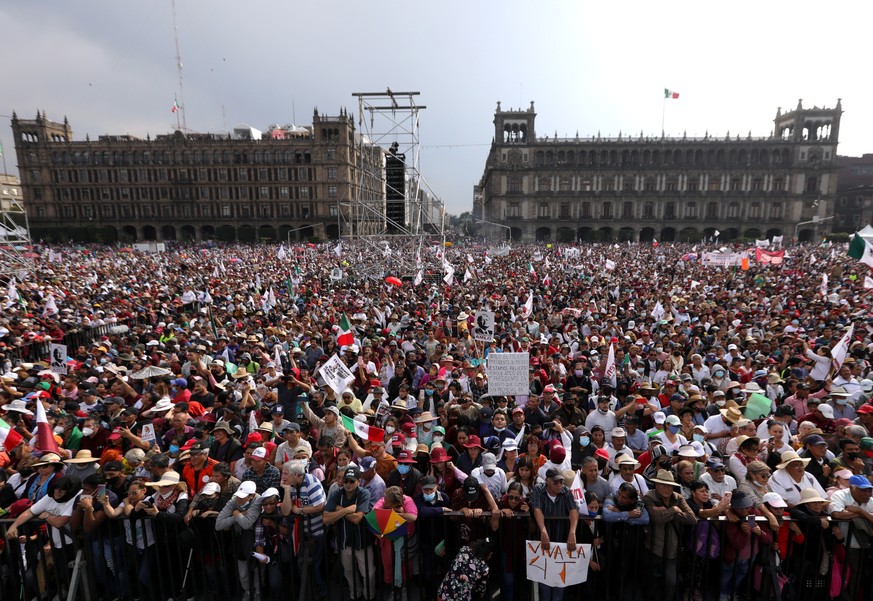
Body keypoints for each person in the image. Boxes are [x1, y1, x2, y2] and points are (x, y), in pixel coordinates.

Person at [642, 469, 697, 601]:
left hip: (672, 550)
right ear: (656, 485)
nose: (666, 488)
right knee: (649, 584)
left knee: (671, 583)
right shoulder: (649, 497)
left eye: (669, 485)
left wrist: (669, 512)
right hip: (652, 548)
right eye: (662, 484)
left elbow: (692, 519)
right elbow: (657, 518)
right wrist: (673, 510)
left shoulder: (678, 498)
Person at [324, 465, 376, 601]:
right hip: (344, 541)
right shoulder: (337, 494)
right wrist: (346, 510)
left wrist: (337, 510)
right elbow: (326, 518)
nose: (348, 484)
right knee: (348, 572)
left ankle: (369, 596)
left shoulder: (364, 493)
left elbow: (357, 518)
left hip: (362, 541)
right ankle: (356, 595)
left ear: (359, 481)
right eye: (346, 480)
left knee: (368, 573)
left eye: (352, 481)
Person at [280, 460, 327, 601]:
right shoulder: (292, 485)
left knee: (316, 568)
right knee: (303, 567)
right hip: (301, 534)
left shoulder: (311, 482)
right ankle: (309, 594)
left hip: (316, 533)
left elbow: (320, 506)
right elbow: (286, 511)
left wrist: (300, 510)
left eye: (285, 473)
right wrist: (287, 490)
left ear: (295, 474)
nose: (283, 476)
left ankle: (321, 595)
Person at [531, 467, 579, 601]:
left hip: (561, 543)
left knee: (559, 582)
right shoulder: (538, 489)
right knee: (544, 584)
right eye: (556, 482)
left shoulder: (566, 491)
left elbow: (573, 510)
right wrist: (543, 531)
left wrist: (572, 532)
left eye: (561, 482)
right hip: (542, 545)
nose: (559, 485)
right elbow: (537, 509)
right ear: (547, 481)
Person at [215, 480, 264, 601]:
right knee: (243, 575)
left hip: (256, 540)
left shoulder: (258, 500)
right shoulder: (234, 500)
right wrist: (237, 515)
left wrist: (236, 515)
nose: (239, 499)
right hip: (240, 541)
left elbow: (247, 524)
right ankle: (247, 592)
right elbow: (219, 524)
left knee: (258, 571)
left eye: (243, 497)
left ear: (251, 496)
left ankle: (258, 594)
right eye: (239, 496)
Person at [828, 475, 873, 600]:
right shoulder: (840, 495)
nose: (867, 494)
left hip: (866, 547)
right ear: (852, 488)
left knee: (862, 578)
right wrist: (865, 515)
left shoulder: (870, 501)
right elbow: (837, 513)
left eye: (869, 490)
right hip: (844, 546)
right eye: (863, 490)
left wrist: (859, 512)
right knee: (847, 577)